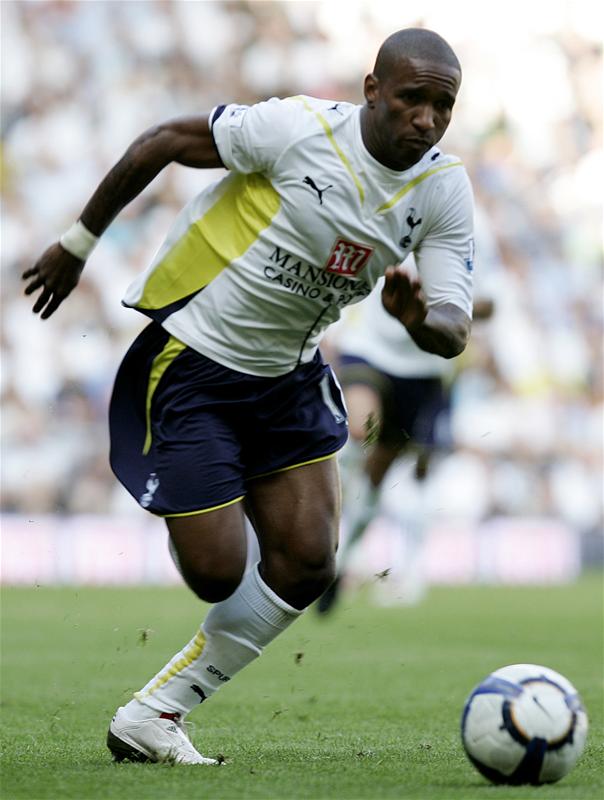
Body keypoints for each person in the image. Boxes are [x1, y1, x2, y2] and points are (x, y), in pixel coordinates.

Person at [23, 28, 475, 765]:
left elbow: (454, 327)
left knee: (307, 561)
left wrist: (422, 321)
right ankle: (194, 491)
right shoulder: (298, 129)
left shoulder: (443, 187)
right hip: (195, 363)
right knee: (217, 572)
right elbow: (163, 140)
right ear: (372, 90)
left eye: (443, 106)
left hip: (289, 379)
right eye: (411, 98)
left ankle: (154, 714)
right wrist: (77, 244)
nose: (425, 118)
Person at [317, 254, 495, 612]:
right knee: (359, 427)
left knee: (378, 477)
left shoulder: (464, 232)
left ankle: (344, 561)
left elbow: (491, 303)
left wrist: (445, 305)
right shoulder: (383, 213)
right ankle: (325, 528)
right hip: (367, 351)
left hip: (424, 370)